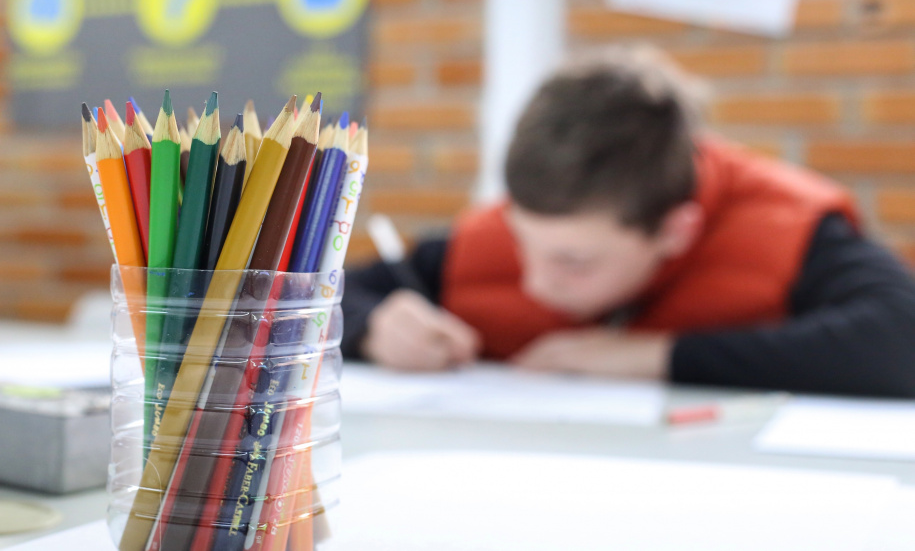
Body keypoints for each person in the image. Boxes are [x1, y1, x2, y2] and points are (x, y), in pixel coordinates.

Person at [342, 47, 915, 398]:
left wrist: (651, 356)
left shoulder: (788, 226)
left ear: (675, 232)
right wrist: (375, 326)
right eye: (521, 242)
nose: (535, 281)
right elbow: (328, 296)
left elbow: (899, 339)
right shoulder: (530, 217)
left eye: (574, 262)